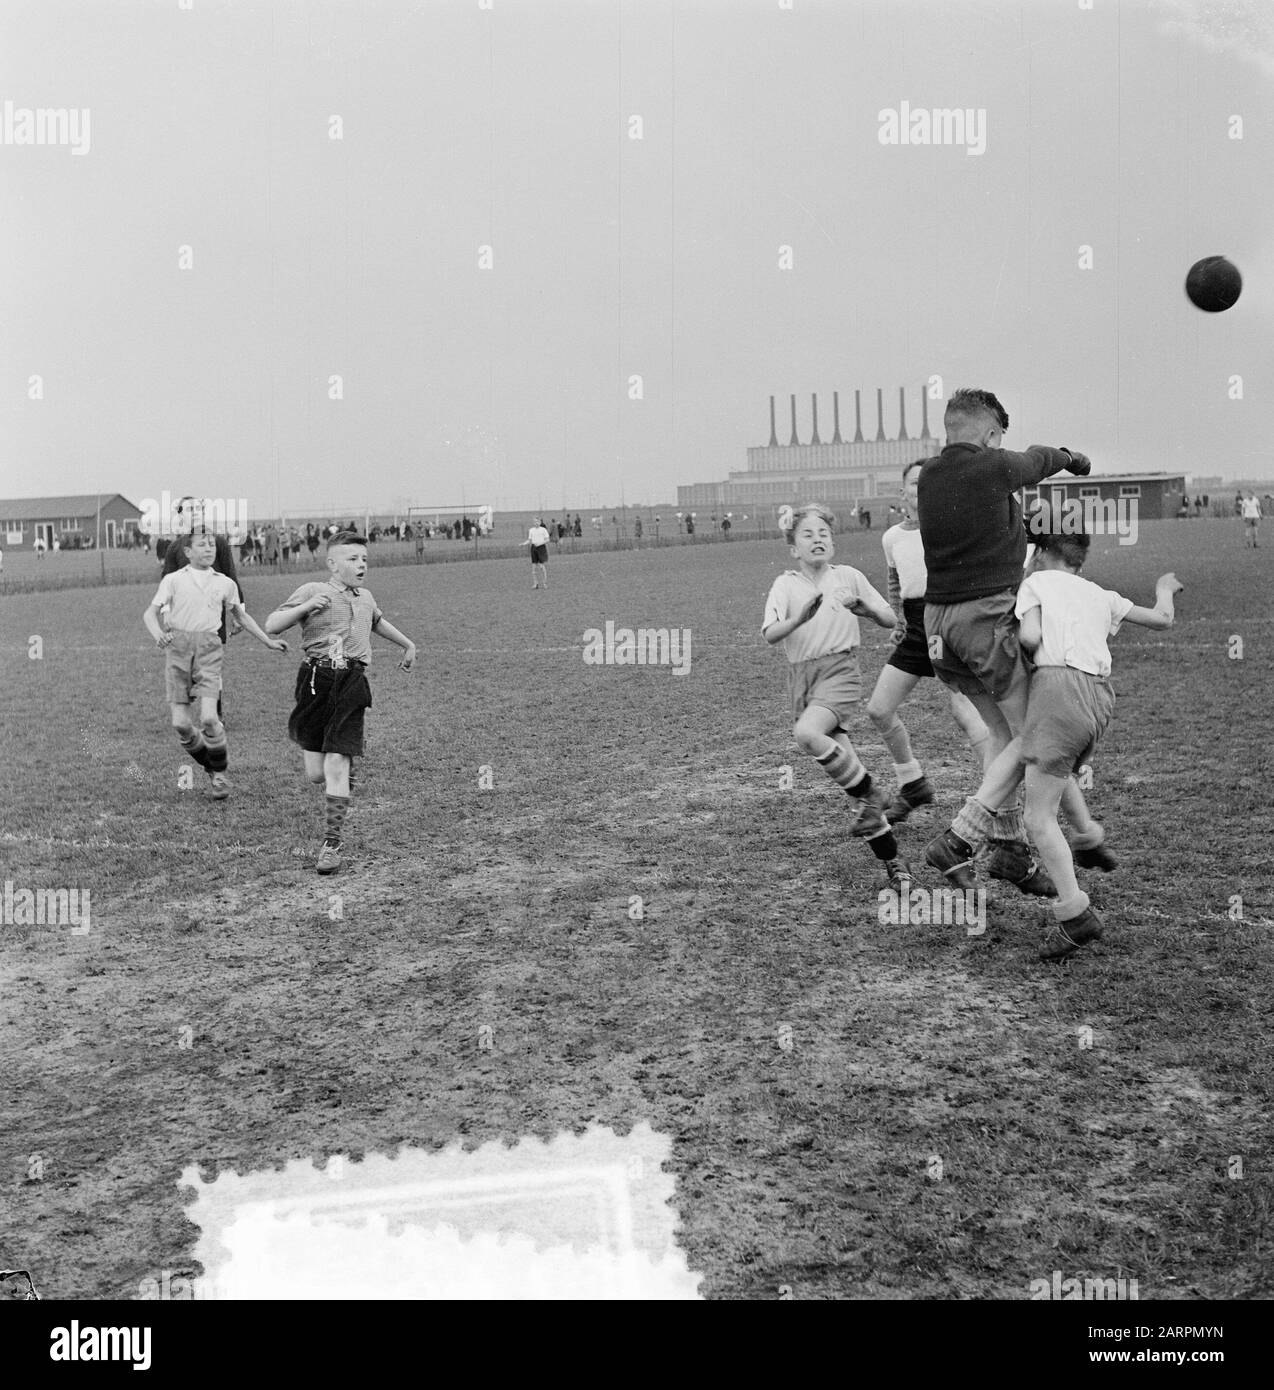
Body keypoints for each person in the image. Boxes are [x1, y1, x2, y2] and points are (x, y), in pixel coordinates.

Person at [917, 387, 1092, 896]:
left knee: (1001, 735)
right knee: (1032, 734)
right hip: (984, 617)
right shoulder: (993, 467)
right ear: (991, 435)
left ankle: (1012, 848)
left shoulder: (930, 474)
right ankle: (962, 836)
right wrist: (1072, 458)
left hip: (938, 624)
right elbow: (1039, 459)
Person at [1013, 532, 1182, 959]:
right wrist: (1165, 586)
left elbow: (1031, 638)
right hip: (1098, 698)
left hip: (1058, 691)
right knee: (1057, 773)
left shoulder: (1034, 584)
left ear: (1043, 554)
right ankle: (1088, 840)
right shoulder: (1100, 593)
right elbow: (1164, 619)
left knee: (1037, 818)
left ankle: (1075, 914)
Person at [763, 503, 910, 893]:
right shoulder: (785, 585)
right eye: (807, 535)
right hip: (802, 679)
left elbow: (891, 617)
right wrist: (799, 620)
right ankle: (896, 865)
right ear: (793, 548)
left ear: (833, 542)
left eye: (824, 534)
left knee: (808, 734)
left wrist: (864, 609)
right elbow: (771, 633)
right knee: (854, 792)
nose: (817, 540)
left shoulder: (848, 577)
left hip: (840, 672)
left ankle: (872, 791)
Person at [265, 530, 417, 874]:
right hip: (316, 682)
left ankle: (332, 842)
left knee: (335, 764)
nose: (361, 564)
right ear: (332, 564)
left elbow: (377, 622)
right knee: (317, 774)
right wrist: (305, 607)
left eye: (364, 559)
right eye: (352, 559)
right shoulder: (312, 591)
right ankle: (343, 771)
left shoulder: (365, 597)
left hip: (352, 682)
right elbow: (273, 624)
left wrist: (408, 644)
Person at [866, 462, 990, 821]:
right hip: (918, 629)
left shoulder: (954, 528)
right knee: (878, 709)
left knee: (966, 711)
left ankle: (993, 799)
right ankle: (913, 783)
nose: (921, 490)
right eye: (915, 484)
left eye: (929, 483)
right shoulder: (892, 538)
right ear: (902, 492)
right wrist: (900, 620)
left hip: (950, 622)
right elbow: (895, 581)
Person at [143, 530, 288, 800]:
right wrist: (158, 635)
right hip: (178, 651)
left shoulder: (224, 583)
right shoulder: (173, 580)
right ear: (188, 552)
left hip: (209, 649)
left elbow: (241, 617)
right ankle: (213, 767)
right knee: (181, 725)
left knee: (210, 718)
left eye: (212, 544)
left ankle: (220, 774)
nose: (209, 549)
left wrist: (268, 641)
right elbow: (149, 614)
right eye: (202, 545)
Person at [522, 519, 551, 589]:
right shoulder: (531, 530)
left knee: (541, 566)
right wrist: (524, 544)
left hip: (541, 548)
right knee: (534, 567)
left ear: (540, 522)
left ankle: (544, 583)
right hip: (534, 548)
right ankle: (535, 584)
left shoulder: (543, 530)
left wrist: (540, 543)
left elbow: (547, 539)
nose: (536, 523)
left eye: (537, 522)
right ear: (533, 523)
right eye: (535, 522)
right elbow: (529, 540)